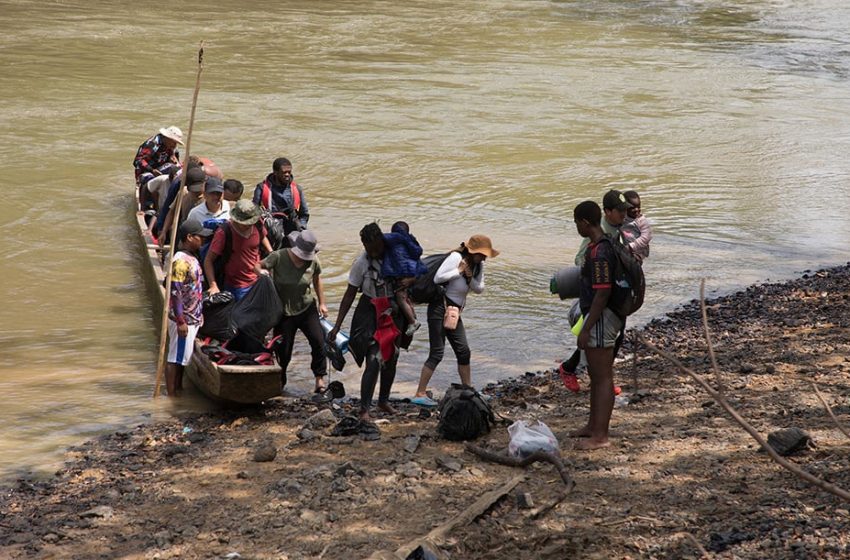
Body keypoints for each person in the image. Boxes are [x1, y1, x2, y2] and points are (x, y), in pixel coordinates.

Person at [327, 223, 411, 421]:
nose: (373, 252)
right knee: (374, 360)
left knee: (392, 357)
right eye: (368, 249)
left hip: (393, 310)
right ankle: (364, 409)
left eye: (376, 248)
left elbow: (414, 275)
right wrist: (338, 325)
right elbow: (349, 296)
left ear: (383, 242)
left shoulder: (396, 256)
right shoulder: (361, 264)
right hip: (370, 310)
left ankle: (383, 400)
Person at [559, 189, 634, 393]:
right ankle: (583, 374)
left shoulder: (619, 228)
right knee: (596, 339)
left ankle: (599, 380)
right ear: (607, 212)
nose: (623, 214)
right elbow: (581, 260)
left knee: (612, 337)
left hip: (615, 293)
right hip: (602, 295)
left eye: (625, 211)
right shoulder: (600, 234)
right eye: (619, 211)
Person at [411, 234, 498, 407]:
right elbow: (438, 278)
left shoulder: (478, 266)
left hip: (454, 312)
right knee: (437, 352)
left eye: (485, 255)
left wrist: (468, 276)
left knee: (463, 350)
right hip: (439, 308)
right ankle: (420, 393)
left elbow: (479, 288)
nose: (483, 258)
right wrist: (458, 271)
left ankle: (468, 388)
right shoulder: (455, 257)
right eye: (481, 254)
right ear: (472, 251)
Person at [569, 200, 624, 450]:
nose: (576, 228)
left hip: (601, 318)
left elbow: (602, 293)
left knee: (603, 377)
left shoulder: (599, 251)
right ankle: (593, 425)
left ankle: (601, 436)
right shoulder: (600, 245)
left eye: (576, 223)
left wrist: (586, 328)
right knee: (595, 373)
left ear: (585, 222)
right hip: (598, 315)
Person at [256, 230, 328, 393]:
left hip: (306, 307)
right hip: (283, 312)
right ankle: (280, 381)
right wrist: (261, 273)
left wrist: (322, 303)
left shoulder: (313, 261)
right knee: (284, 350)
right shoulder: (279, 256)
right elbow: (258, 265)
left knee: (318, 342)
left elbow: (317, 280)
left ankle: (319, 379)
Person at [165, 218, 210, 397]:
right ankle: (172, 396)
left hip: (192, 317)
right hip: (183, 319)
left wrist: (199, 314)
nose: (203, 240)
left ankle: (179, 389)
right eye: (200, 237)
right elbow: (175, 291)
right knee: (175, 358)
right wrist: (181, 320)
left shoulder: (192, 258)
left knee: (182, 358)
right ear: (189, 237)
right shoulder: (180, 261)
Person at [204, 200, 272, 301]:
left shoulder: (257, 224)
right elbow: (208, 260)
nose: (249, 225)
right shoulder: (224, 233)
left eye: (251, 223)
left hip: (259, 279)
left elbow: (263, 237)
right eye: (246, 224)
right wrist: (213, 285)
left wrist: (271, 253)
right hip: (237, 286)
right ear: (236, 220)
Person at [382, 221, 428, 336]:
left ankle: (412, 321)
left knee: (400, 297)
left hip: (402, 274)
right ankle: (411, 319)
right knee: (404, 297)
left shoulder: (396, 239)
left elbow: (382, 238)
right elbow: (420, 265)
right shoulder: (411, 243)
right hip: (409, 274)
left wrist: (377, 232)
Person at [253, 157, 309, 235]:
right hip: (270, 229)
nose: (287, 175)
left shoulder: (297, 189)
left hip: (292, 229)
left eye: (289, 172)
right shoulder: (262, 188)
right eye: (284, 172)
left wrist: (302, 228)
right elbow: (254, 211)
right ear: (275, 172)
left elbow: (304, 214)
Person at [134, 126, 183, 210]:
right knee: (149, 178)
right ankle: (147, 204)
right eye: (174, 142)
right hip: (146, 171)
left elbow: (175, 158)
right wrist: (152, 170)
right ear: (167, 138)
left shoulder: (172, 146)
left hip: (161, 168)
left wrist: (173, 159)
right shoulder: (152, 144)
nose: (175, 145)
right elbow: (137, 161)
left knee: (176, 170)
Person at [158, 167, 207, 245]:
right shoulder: (183, 193)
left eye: (199, 190)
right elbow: (172, 212)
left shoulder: (208, 197)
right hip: (184, 233)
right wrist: (164, 231)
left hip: (200, 235)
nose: (196, 193)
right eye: (194, 190)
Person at [623, 190, 652, 262]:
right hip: (625, 249)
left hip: (639, 251)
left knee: (635, 263)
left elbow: (646, 238)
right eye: (633, 207)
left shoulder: (641, 220)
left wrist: (631, 246)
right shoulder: (622, 218)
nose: (637, 210)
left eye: (638, 207)